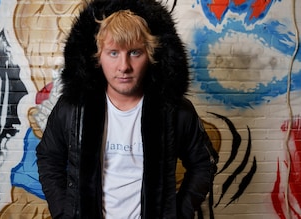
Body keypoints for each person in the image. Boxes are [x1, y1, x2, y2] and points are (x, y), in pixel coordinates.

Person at [36, 0, 218, 218]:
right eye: (113, 53)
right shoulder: (73, 109)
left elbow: (203, 164)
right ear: (98, 57)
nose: (124, 66)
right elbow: (49, 158)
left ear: (150, 56)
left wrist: (180, 212)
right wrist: (64, 212)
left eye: (134, 53)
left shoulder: (176, 112)